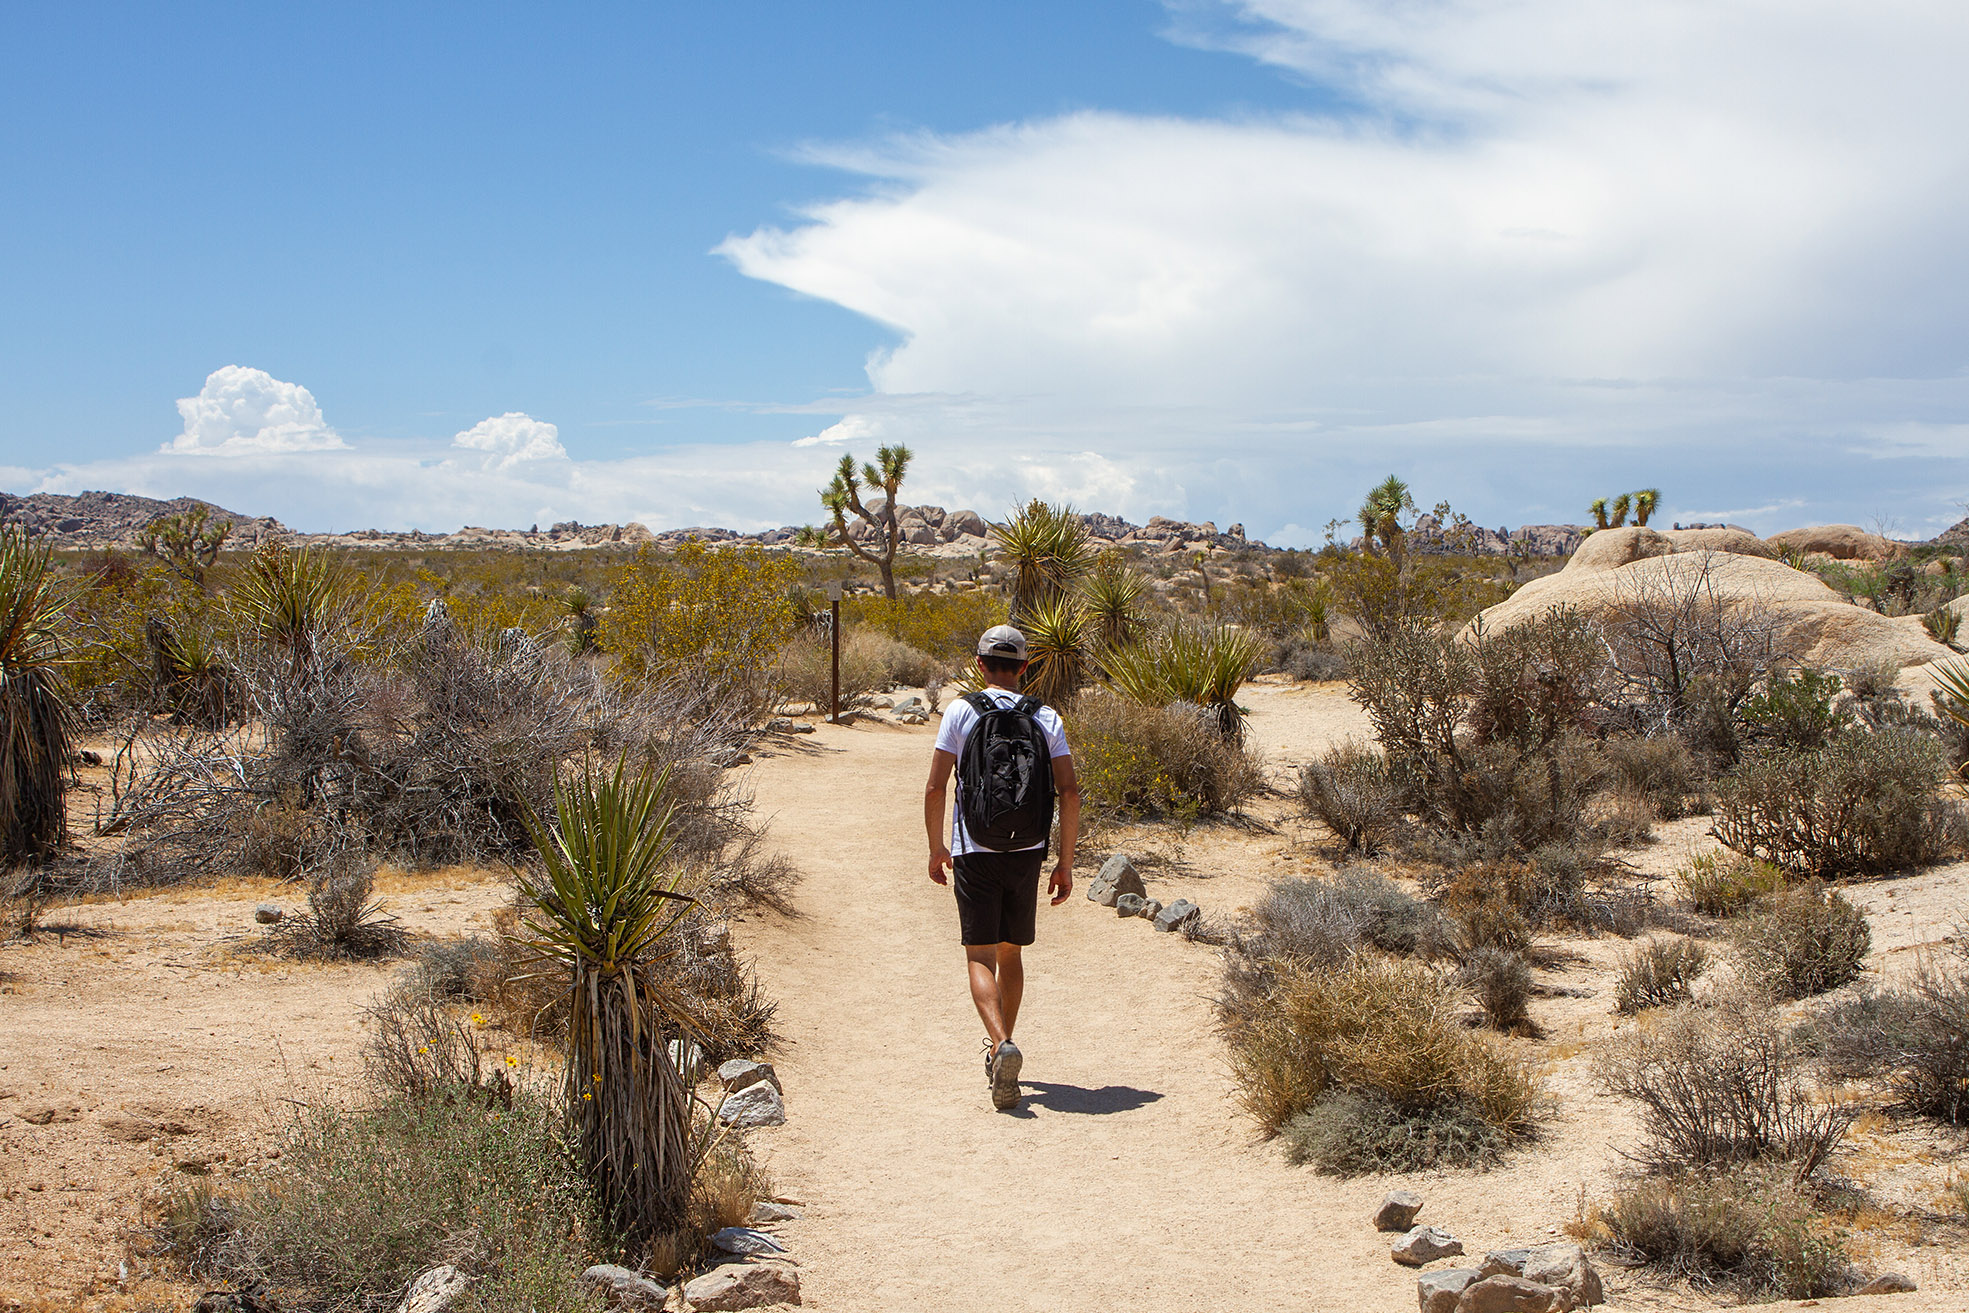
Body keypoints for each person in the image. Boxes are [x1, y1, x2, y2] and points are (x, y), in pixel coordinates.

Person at [924, 624, 1079, 1110]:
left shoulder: (962, 710)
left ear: (981, 664)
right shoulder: (1046, 715)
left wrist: (936, 848)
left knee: (979, 956)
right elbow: (1069, 792)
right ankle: (1001, 1046)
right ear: (1025, 668)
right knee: (1011, 954)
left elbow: (935, 786)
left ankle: (999, 1044)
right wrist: (1065, 862)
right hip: (1028, 849)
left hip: (974, 847)